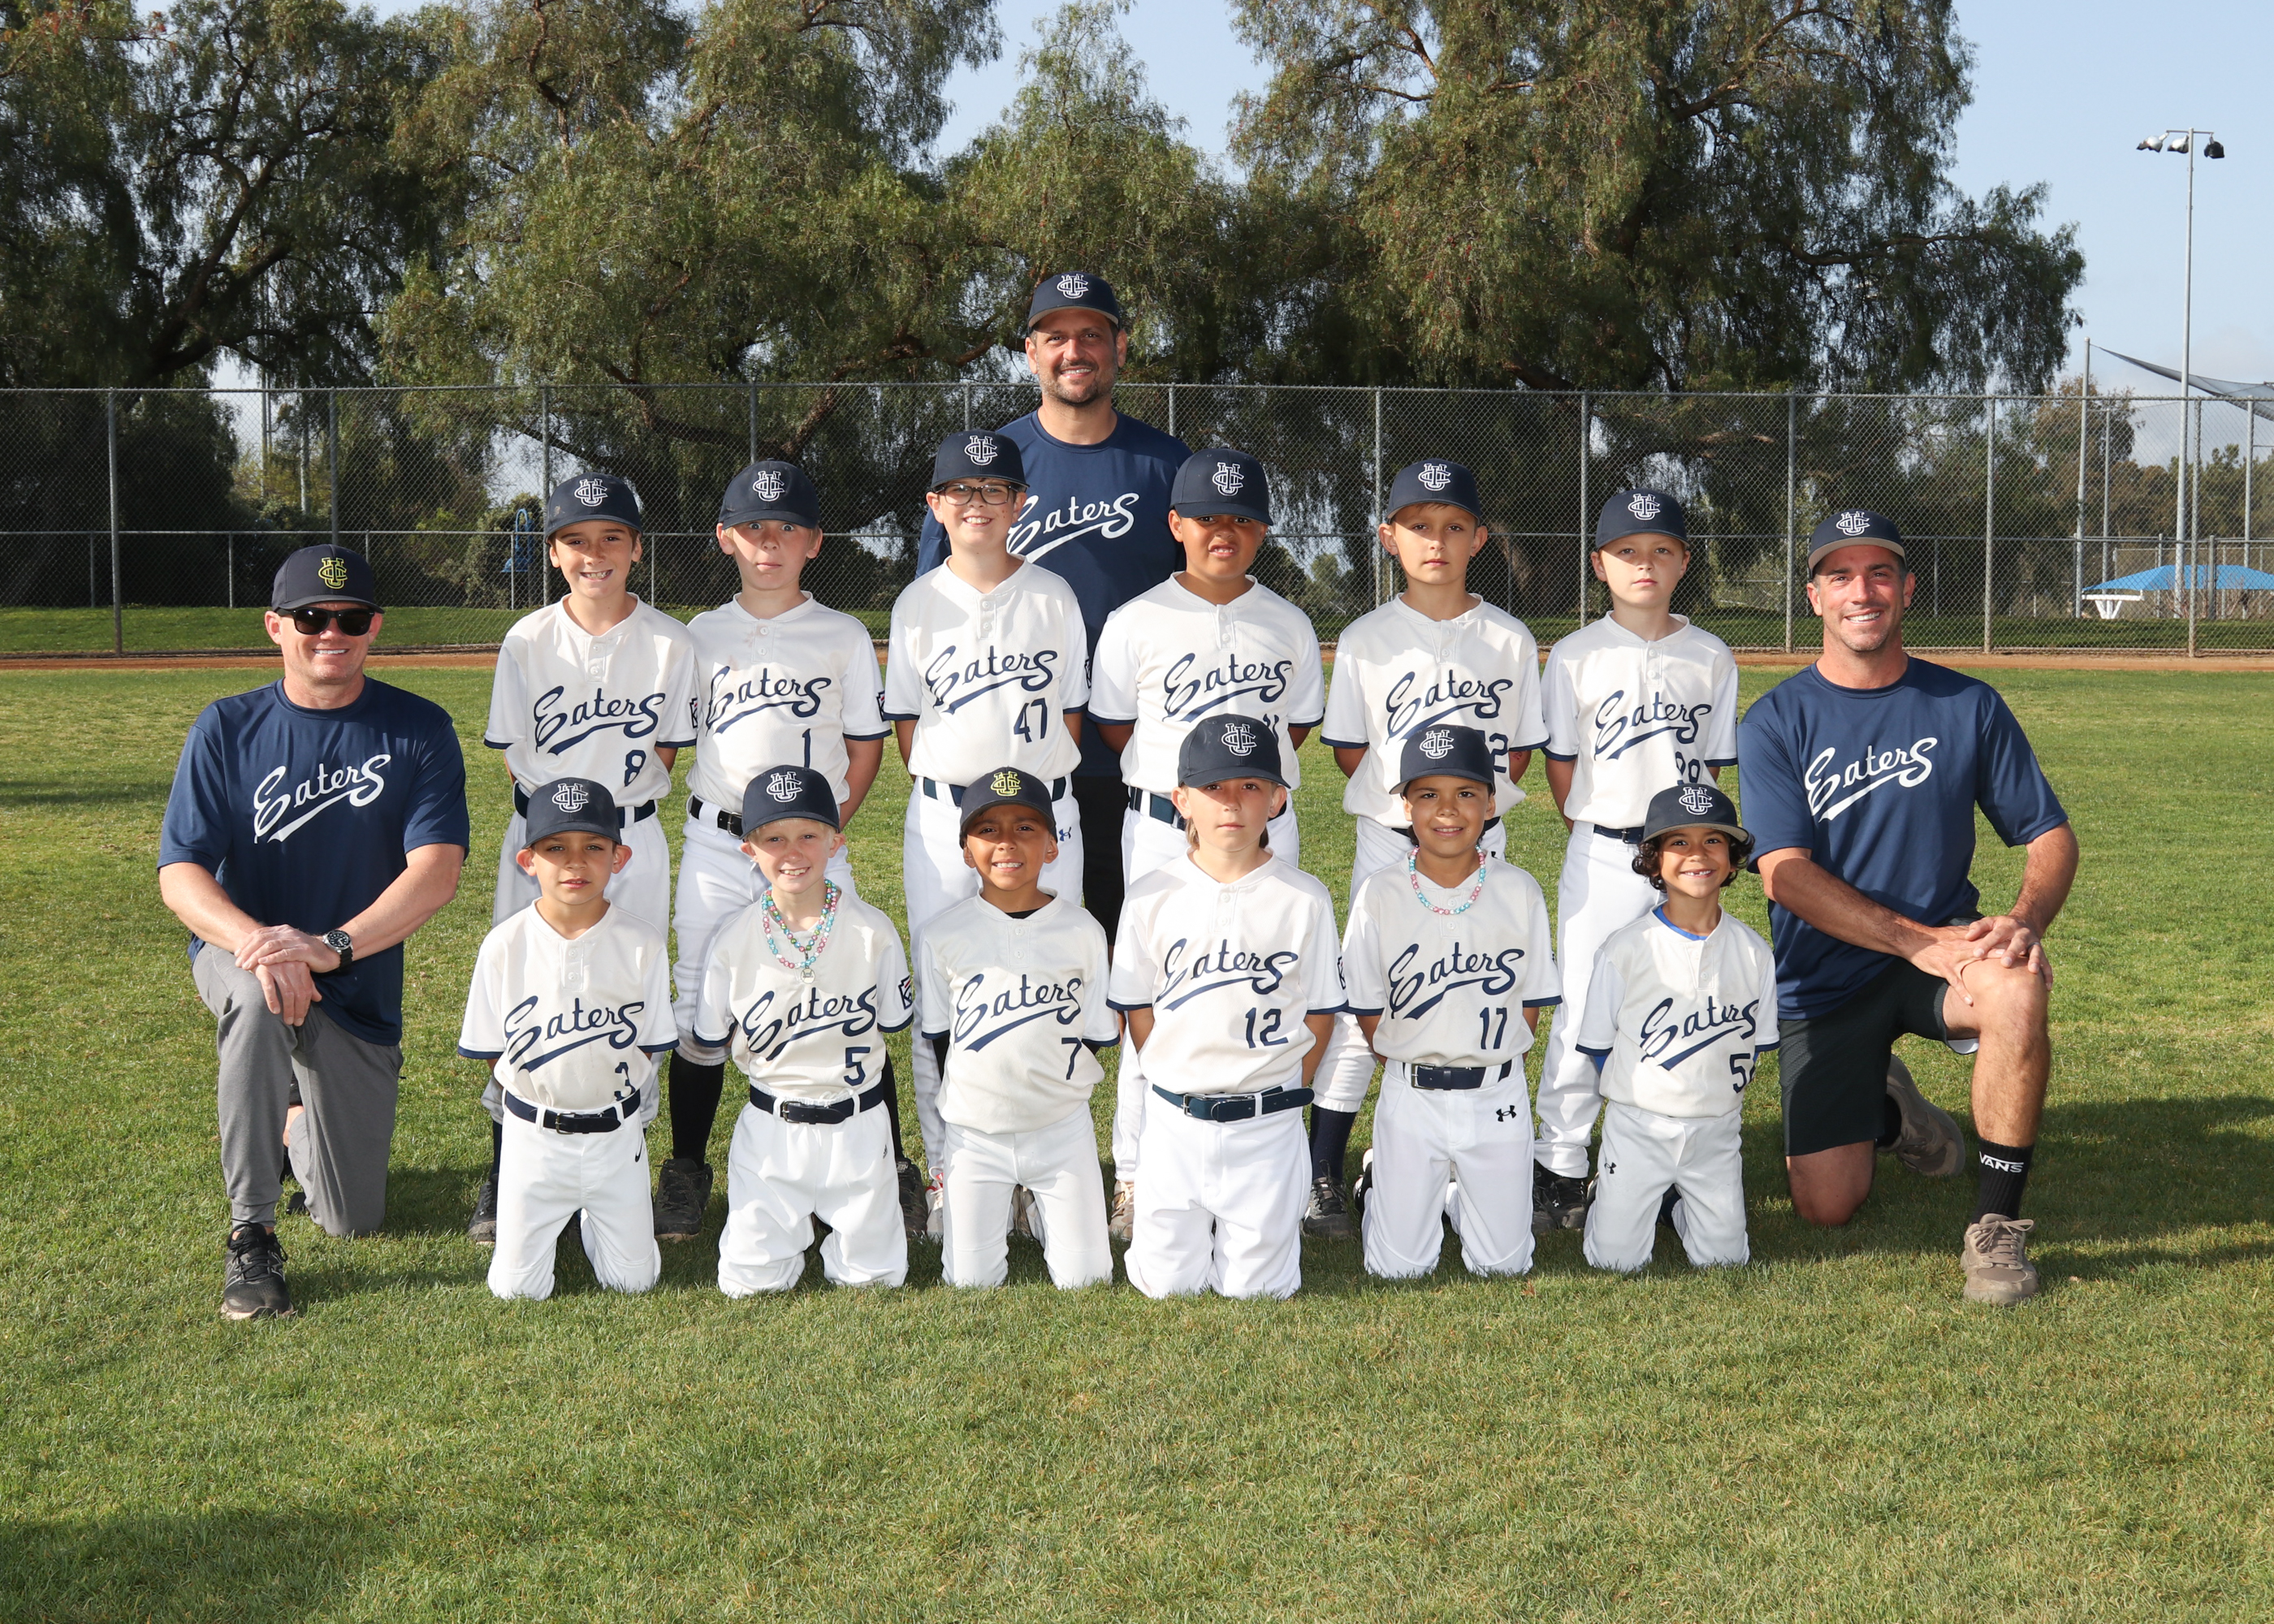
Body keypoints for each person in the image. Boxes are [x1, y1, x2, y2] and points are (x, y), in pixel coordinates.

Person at [1737, 509, 2077, 1306]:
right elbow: (1784, 875)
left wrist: (2024, 920)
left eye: (1879, 573)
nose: (1862, 592)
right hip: (1825, 973)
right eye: (1841, 576)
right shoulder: (1777, 719)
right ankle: (1893, 1115)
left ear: (1907, 588)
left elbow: (2051, 836)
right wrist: (1915, 939)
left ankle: (1996, 1225)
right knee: (1826, 1205)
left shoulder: (1965, 703)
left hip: (1944, 959)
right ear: (1814, 596)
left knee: (2018, 987)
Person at [158, 543, 468, 1320]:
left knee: (351, 1216)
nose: (332, 632)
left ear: (374, 628)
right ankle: (252, 1234)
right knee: (258, 997)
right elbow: (181, 872)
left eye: (351, 618)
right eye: (311, 618)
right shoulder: (227, 727)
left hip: (355, 974)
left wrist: (329, 947)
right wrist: (260, 944)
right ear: (276, 627)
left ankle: (291, 1119)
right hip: (247, 952)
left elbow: (436, 872)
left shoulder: (418, 728)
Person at [655, 459, 903, 1247]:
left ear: (814, 542)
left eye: (787, 529)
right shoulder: (699, 635)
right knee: (699, 996)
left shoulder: (841, 634)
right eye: (754, 528)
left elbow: (864, 746)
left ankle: (889, 1161)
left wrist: (820, 836)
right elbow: (673, 738)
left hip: (808, 846)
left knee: (843, 984)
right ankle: (687, 1166)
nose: (770, 543)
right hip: (717, 839)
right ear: (725, 537)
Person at [1087, 445, 1324, 1244]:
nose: (1224, 531)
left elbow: (1293, 729)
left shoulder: (1288, 622)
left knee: (1264, 985)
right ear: (1175, 524)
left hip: (1263, 826)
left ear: (1262, 530)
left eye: (1241, 518)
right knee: (1153, 997)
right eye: (1206, 517)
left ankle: (1267, 1163)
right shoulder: (1135, 620)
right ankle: (1137, 1173)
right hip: (1162, 827)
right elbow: (1116, 726)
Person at [916, 272, 1191, 943]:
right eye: (1056, 337)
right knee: (1005, 945)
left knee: (1138, 945)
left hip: (1137, 752)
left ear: (1119, 346)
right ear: (1031, 353)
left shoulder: (1166, 465)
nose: (1074, 351)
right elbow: (934, 613)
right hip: (1016, 759)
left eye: (1091, 335)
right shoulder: (990, 470)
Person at [1312, 459, 1546, 1237]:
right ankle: (1325, 1170)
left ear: (1479, 538)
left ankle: (1477, 1153)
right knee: (1366, 1004)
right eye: (1418, 526)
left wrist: (1461, 817)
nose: (1436, 541)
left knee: (1474, 990)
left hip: (1481, 842)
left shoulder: (1508, 638)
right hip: (1387, 844)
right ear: (1389, 537)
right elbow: (1353, 750)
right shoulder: (1366, 638)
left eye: (1453, 526)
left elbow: (1517, 753)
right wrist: (1413, 813)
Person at [473, 472, 696, 1245]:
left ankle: (619, 1166)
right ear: (553, 552)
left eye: (610, 539)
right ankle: (506, 1169)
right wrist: (559, 836)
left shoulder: (671, 642)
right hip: (540, 844)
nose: (593, 554)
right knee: (525, 995)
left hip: (631, 842)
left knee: (627, 996)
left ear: (637, 549)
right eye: (575, 540)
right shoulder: (527, 640)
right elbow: (513, 754)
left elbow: (666, 748)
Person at [886, 430, 1091, 1232]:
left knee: (1048, 985)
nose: (977, 503)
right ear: (935, 506)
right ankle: (953, 1174)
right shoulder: (916, 604)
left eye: (994, 490)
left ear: (1020, 503)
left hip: (1044, 814)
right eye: (960, 491)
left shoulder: (1054, 596)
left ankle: (1040, 1175)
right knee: (944, 991)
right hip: (946, 815)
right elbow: (908, 727)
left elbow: (1070, 715)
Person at [1533, 490, 1740, 1233]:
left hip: (1686, 856)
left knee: (1681, 999)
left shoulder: (1710, 655)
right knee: (1583, 1003)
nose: (1643, 564)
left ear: (1684, 561)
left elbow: (1711, 771)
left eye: (1660, 550)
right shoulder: (1576, 655)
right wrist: (1602, 830)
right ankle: (1560, 1160)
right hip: (1605, 850)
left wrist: (1687, 853)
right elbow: (1562, 766)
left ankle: (1671, 1155)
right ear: (1600, 565)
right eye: (1626, 551)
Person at [1108, 715, 1346, 1301]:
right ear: (1182, 800)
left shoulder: (1304, 898)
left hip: (1266, 1124)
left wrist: (1282, 1085)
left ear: (1278, 799)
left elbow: (1320, 1013)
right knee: (1165, 1286)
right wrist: (1174, 1068)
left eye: (1250, 786)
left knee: (1257, 1291)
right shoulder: (1150, 896)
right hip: (1175, 1122)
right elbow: (1138, 1009)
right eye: (1213, 787)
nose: (1232, 803)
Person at [1339, 725, 1560, 1281]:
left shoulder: (1519, 890)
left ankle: (1456, 1197)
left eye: (1465, 793)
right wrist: (1412, 1056)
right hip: (1411, 1095)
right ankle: (1378, 1189)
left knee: (1503, 1266)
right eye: (1428, 795)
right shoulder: (1380, 893)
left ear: (1490, 804)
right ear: (1406, 807)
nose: (1447, 810)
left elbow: (1529, 1005)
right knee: (1398, 1269)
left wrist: (1490, 1060)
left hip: (1497, 1094)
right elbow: (1367, 1009)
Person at [692, 767, 914, 1295]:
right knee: (748, 1283)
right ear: (749, 850)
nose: (792, 852)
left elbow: (892, 1023)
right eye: (774, 839)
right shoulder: (732, 941)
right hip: (772, 1127)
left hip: (858, 1124)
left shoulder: (873, 931)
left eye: (808, 835)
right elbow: (709, 1035)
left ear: (836, 840)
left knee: (875, 1280)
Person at [457, 777, 673, 1301]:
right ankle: (556, 1214)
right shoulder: (504, 944)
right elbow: (493, 1053)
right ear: (527, 860)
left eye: (593, 847)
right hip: (534, 1139)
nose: (575, 863)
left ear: (619, 857)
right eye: (555, 848)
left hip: (615, 1135)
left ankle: (599, 1217)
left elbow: (649, 1044)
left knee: (634, 1282)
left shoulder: (642, 942)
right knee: (516, 1290)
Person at [916, 768, 1121, 1289]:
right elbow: (940, 1036)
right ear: (967, 851)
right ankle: (1000, 1202)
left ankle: (1038, 1203)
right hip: (974, 1136)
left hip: (1061, 1130)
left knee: (1086, 1278)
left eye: (1025, 828)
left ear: (1052, 845)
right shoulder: (942, 935)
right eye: (988, 830)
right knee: (969, 1281)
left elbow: (1097, 1034)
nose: (1006, 843)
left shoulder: (1083, 930)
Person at [1576, 782, 1778, 1274]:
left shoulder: (1754, 952)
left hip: (1717, 1127)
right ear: (1653, 860)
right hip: (1639, 1126)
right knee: (1616, 1262)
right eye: (1679, 842)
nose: (1697, 854)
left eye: (1713, 841)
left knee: (1725, 1260)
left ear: (1732, 860)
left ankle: (1675, 1208)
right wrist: (1646, 1094)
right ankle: (1610, 1192)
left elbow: (1755, 1046)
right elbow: (1600, 1047)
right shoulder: (1626, 948)